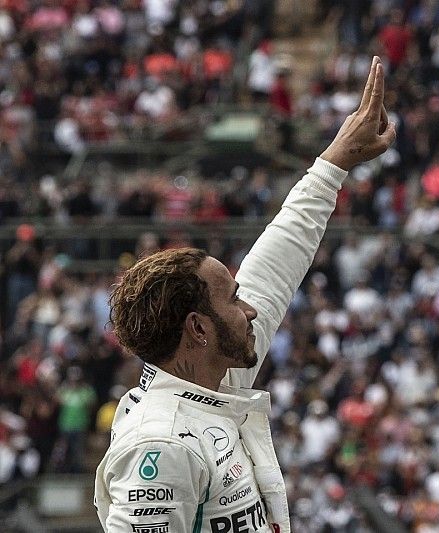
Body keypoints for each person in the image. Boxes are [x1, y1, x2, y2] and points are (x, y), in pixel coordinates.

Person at [94, 56, 396, 533]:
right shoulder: (163, 443)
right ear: (198, 328)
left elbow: (273, 270)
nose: (250, 307)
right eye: (233, 299)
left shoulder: (214, 381)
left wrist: (334, 163)